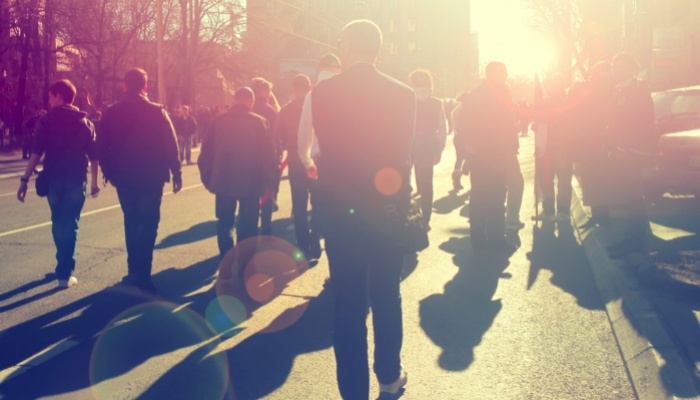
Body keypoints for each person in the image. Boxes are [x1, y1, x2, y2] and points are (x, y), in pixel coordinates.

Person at [311, 19, 414, 399]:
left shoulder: (322, 94)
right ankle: (389, 377)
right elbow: (402, 159)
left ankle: (353, 391)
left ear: (349, 46)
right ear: (378, 49)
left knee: (349, 304)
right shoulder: (402, 94)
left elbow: (319, 153)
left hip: (341, 213)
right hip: (385, 212)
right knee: (387, 294)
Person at [97, 67, 182, 293]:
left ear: (125, 85)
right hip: (152, 176)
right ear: (145, 86)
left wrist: (109, 172)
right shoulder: (158, 112)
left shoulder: (112, 112)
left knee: (131, 220)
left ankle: (133, 270)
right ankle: (142, 273)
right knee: (148, 222)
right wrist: (176, 173)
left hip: (124, 176)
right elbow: (170, 144)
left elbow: (101, 146)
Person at [17, 79, 100, 288]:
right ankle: (65, 272)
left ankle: (62, 266)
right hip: (76, 178)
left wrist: (25, 180)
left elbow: (36, 153)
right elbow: (94, 156)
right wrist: (94, 182)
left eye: (51, 96)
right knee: (71, 223)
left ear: (60, 97)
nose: (49, 100)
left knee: (57, 221)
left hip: (53, 179)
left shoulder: (47, 121)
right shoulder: (85, 122)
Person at [198, 87, 279, 260]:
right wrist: (271, 184)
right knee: (249, 225)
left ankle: (226, 261)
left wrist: (207, 178)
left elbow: (206, 152)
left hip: (223, 180)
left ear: (234, 100)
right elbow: (269, 157)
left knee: (225, 222)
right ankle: (245, 264)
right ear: (251, 102)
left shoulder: (218, 120)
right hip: (251, 182)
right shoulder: (260, 122)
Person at [463, 61, 519, 254]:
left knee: (486, 197)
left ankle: (483, 240)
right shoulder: (482, 95)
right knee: (490, 197)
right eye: (501, 73)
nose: (504, 76)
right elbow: (467, 124)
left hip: (490, 153)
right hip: (487, 153)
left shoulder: (494, 93)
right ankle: (493, 241)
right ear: (490, 74)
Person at [604, 53, 655, 259]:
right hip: (621, 150)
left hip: (632, 151)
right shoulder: (620, 88)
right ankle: (630, 241)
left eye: (621, 66)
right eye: (614, 66)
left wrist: (624, 147)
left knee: (633, 197)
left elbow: (637, 122)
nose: (616, 70)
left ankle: (635, 244)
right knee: (627, 197)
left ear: (633, 68)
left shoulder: (638, 89)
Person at [275, 74, 322, 260]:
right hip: (315, 161)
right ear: (310, 87)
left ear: (293, 89)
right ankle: (316, 237)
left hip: (295, 162)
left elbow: (277, 137)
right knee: (318, 201)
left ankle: (303, 242)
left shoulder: (285, 110)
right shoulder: (317, 108)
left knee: (300, 203)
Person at [408, 69, 447, 228]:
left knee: (405, 182)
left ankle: (410, 215)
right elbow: (442, 128)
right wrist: (439, 149)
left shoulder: (408, 99)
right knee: (427, 185)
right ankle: (426, 218)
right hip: (428, 146)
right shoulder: (436, 103)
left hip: (409, 145)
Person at [298, 53, 343, 179]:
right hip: (348, 161)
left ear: (320, 70)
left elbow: (305, 130)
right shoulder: (349, 92)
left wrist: (307, 161)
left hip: (322, 162)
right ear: (339, 70)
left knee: (323, 197)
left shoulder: (313, 94)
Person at [539, 73, 574, 222]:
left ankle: (563, 211)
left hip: (561, 146)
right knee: (546, 179)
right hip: (546, 146)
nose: (551, 87)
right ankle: (548, 210)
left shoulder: (566, 101)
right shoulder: (545, 102)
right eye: (549, 84)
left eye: (555, 84)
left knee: (563, 180)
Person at [250, 77, 280, 236]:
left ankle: (249, 232)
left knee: (249, 198)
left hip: (247, 158)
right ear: (263, 91)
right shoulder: (270, 111)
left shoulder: (247, 109)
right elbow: (276, 137)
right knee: (267, 194)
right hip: (268, 159)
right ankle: (266, 230)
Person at [450, 92, 470, 191]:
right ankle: (466, 170)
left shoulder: (455, 111)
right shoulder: (469, 111)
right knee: (471, 157)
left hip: (457, 138)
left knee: (459, 159)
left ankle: (456, 180)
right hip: (466, 138)